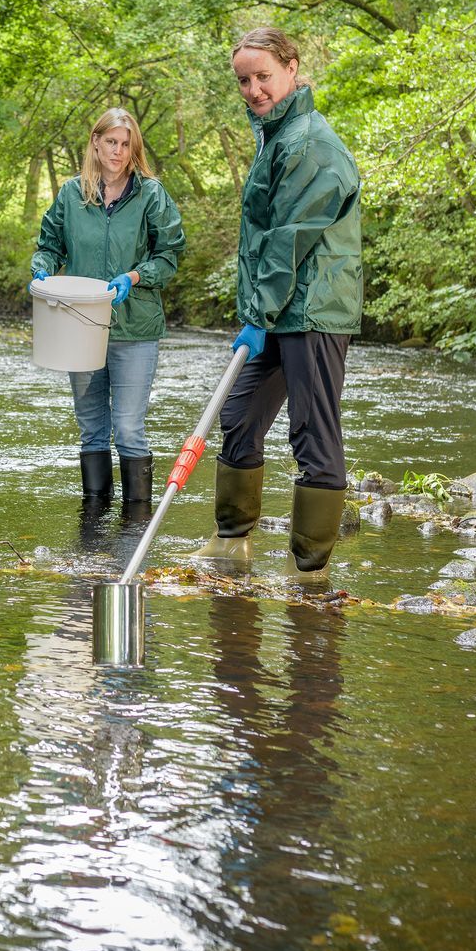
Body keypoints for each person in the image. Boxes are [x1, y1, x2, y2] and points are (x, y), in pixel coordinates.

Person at [208, 28, 362, 573]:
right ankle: (233, 542)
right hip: (277, 308)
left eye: (262, 76)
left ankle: (312, 569)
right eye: (243, 81)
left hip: (313, 308)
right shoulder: (276, 136)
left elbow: (290, 238)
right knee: (239, 414)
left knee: (312, 432)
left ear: (292, 67)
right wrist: (258, 313)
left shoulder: (311, 144)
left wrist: (257, 315)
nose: (252, 89)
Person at [30, 109, 185, 508]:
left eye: (125, 143)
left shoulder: (151, 194)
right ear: (95, 142)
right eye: (111, 141)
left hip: (136, 329)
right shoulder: (70, 194)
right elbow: (49, 246)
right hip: (79, 329)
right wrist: (43, 269)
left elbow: (170, 256)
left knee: (129, 429)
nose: (118, 151)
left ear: (134, 148)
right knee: (91, 431)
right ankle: (93, 532)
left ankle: (136, 529)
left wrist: (133, 277)